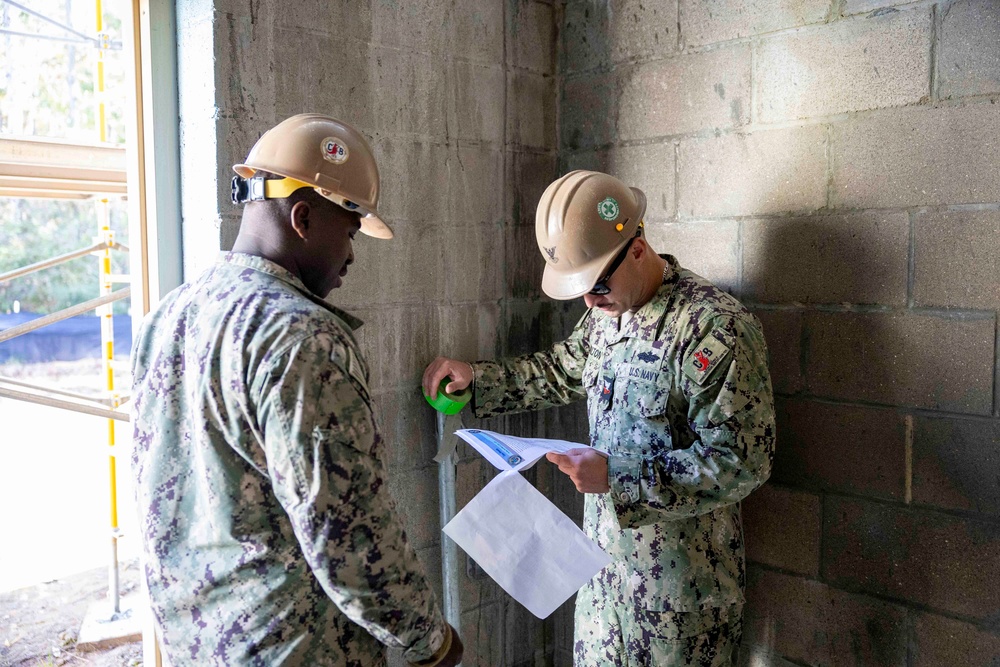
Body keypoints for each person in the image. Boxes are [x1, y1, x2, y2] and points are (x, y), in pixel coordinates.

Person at [131, 114, 462, 667]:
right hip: (296, 649)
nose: (351, 257)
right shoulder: (303, 337)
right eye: (350, 232)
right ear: (303, 217)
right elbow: (350, 536)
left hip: (199, 647)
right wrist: (431, 642)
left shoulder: (169, 315)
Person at [423, 170, 775, 666]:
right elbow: (562, 370)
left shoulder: (714, 328)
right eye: (581, 291)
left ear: (637, 246)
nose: (590, 301)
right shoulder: (609, 313)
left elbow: (742, 461)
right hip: (604, 596)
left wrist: (618, 475)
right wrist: (477, 381)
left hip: (679, 604)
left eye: (597, 284)